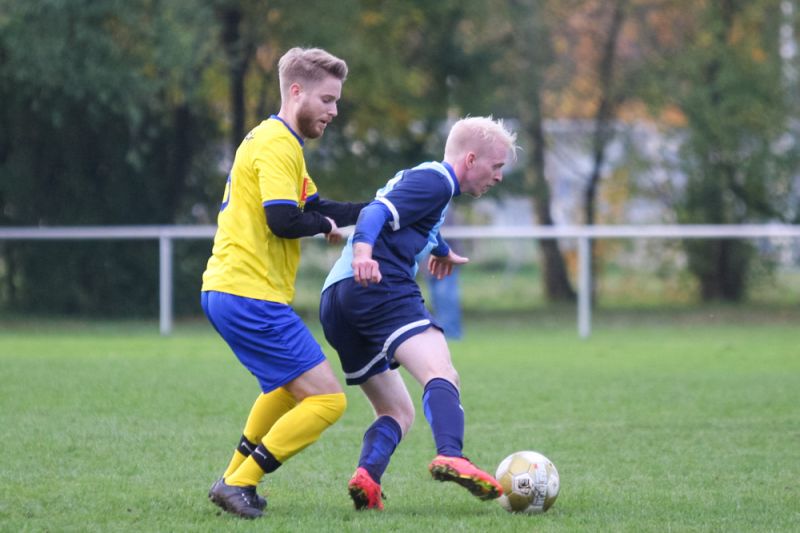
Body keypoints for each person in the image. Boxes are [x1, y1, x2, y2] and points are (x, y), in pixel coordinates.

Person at [201, 47, 366, 519]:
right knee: (328, 400)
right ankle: (240, 481)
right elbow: (282, 219)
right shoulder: (277, 144)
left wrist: (382, 207)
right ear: (296, 92)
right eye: (328, 100)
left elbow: (318, 207)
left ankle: (232, 480)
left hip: (232, 290)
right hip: (247, 293)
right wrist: (322, 226)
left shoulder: (279, 141)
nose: (334, 112)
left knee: (285, 388)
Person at [319, 116, 518, 510]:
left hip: (336, 299)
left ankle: (367, 478)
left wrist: (440, 249)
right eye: (496, 166)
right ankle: (451, 455)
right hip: (377, 284)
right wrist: (363, 253)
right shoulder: (436, 182)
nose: (498, 177)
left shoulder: (431, 183)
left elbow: (415, 219)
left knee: (396, 410)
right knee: (441, 372)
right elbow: (376, 212)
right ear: (471, 159)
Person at [425, 207, 464, 340]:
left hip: (446, 260)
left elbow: (435, 230)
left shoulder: (442, 203)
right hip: (429, 263)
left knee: (446, 297)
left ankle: (451, 333)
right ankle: (442, 332)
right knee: (437, 298)